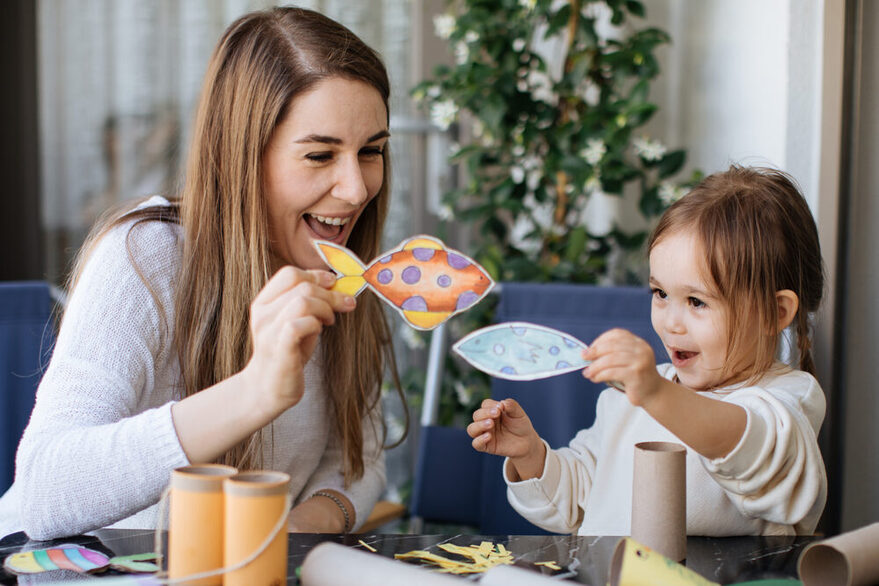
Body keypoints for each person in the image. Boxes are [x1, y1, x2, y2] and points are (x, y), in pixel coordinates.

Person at [0, 6, 403, 540]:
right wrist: (255, 390)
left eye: (370, 151)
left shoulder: (344, 269)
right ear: (242, 156)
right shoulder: (146, 257)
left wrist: (309, 523)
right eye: (320, 155)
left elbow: (358, 454)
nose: (355, 189)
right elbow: (46, 490)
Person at [468, 166, 827, 536]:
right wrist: (531, 455)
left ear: (776, 313)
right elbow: (579, 504)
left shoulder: (787, 401)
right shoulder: (630, 398)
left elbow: (750, 445)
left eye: (697, 302)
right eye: (660, 294)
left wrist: (656, 393)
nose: (671, 322)